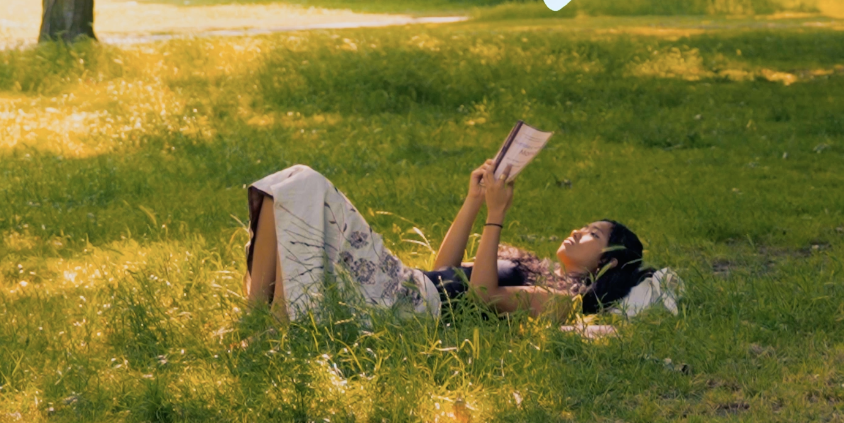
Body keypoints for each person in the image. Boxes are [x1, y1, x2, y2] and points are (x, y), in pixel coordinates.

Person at [244, 159, 667, 324]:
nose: (577, 232)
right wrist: (474, 200)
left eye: (592, 234)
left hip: (412, 306)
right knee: (287, 187)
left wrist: (496, 217)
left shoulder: (559, 301)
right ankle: (255, 316)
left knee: (305, 184)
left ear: (607, 264)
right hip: (411, 284)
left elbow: (481, 296)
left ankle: (280, 324)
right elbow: (444, 266)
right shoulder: (535, 267)